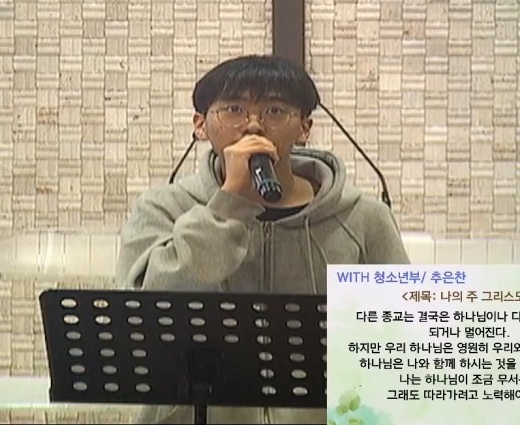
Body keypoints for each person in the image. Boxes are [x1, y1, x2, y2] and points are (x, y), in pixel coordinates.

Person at [115, 54, 410, 424]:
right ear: (200, 125)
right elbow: (141, 314)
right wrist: (229, 203)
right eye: (233, 109)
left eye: (275, 110)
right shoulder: (164, 208)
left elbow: (400, 337)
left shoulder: (363, 217)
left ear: (304, 127)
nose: (253, 125)